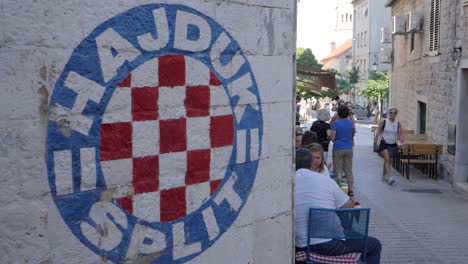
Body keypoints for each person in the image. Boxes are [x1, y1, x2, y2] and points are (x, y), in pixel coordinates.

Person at [295, 148, 382, 264]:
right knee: (374, 245)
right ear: (312, 164)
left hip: (300, 245)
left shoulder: (287, 182)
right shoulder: (325, 180)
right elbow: (348, 206)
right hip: (330, 246)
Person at [329, 105, 355, 197]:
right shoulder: (350, 123)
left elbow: (332, 138)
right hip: (349, 148)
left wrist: (332, 138)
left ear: (338, 114)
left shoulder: (336, 123)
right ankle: (350, 189)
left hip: (338, 148)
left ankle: (340, 189)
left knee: (338, 169)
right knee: (348, 169)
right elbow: (352, 134)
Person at [375, 107, 404, 185]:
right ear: (388, 113)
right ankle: (390, 178)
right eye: (391, 112)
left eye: (394, 113)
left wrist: (402, 141)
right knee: (388, 160)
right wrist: (376, 143)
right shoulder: (384, 122)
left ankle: (384, 175)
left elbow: (400, 134)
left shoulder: (398, 123)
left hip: (393, 143)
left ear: (396, 114)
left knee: (386, 160)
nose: (392, 114)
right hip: (384, 142)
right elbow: (378, 132)